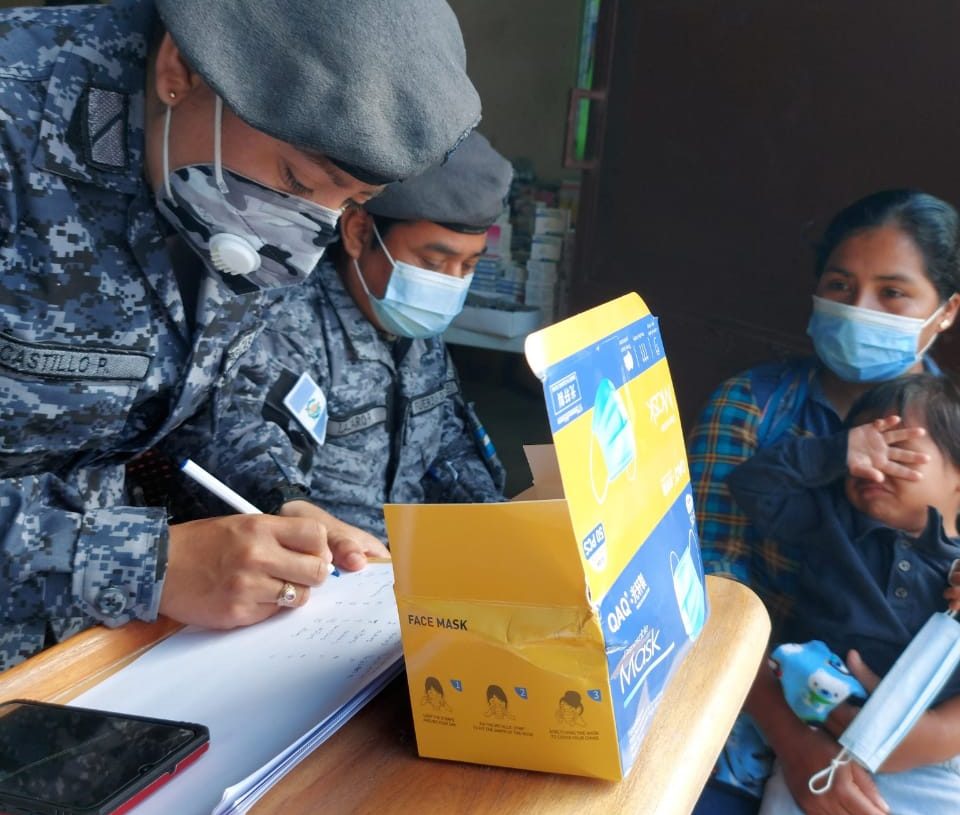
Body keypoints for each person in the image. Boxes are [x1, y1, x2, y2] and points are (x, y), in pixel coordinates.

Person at [0, 0, 480, 670]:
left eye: (349, 202)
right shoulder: (17, 124)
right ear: (180, 71)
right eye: (296, 180)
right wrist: (137, 561)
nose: (309, 239)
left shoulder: (220, 166)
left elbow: (194, 401)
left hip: (87, 660)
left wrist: (281, 502)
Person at [687, 189, 960, 813]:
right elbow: (706, 592)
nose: (859, 309)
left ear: (946, 311)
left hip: (929, 746)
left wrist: (933, 734)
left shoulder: (953, 440)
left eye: (893, 292)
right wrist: (796, 742)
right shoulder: (752, 408)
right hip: (752, 713)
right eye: (840, 285)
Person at [171, 131, 511, 542]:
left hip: (408, 561)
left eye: (468, 266)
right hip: (323, 563)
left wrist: (495, 517)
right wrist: (291, 506)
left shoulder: (416, 331)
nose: (449, 283)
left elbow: (447, 441)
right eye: (433, 263)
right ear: (358, 233)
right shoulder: (283, 318)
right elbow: (235, 436)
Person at [727, 373, 960, 814]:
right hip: (818, 739)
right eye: (866, 448)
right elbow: (751, 487)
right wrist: (837, 452)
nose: (874, 464)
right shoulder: (830, 523)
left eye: (897, 449)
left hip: (935, 762)